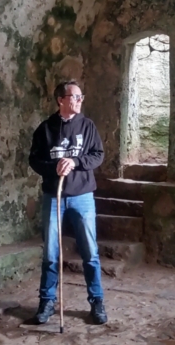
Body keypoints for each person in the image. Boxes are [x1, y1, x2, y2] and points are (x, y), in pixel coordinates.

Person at [28, 80, 108, 325]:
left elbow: (98, 155)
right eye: (75, 96)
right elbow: (34, 160)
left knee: (90, 252)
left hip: (83, 197)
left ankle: (97, 301)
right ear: (61, 100)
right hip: (54, 197)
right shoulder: (45, 129)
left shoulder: (87, 126)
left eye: (81, 96)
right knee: (51, 253)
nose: (80, 100)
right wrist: (55, 166)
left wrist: (75, 162)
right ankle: (47, 302)